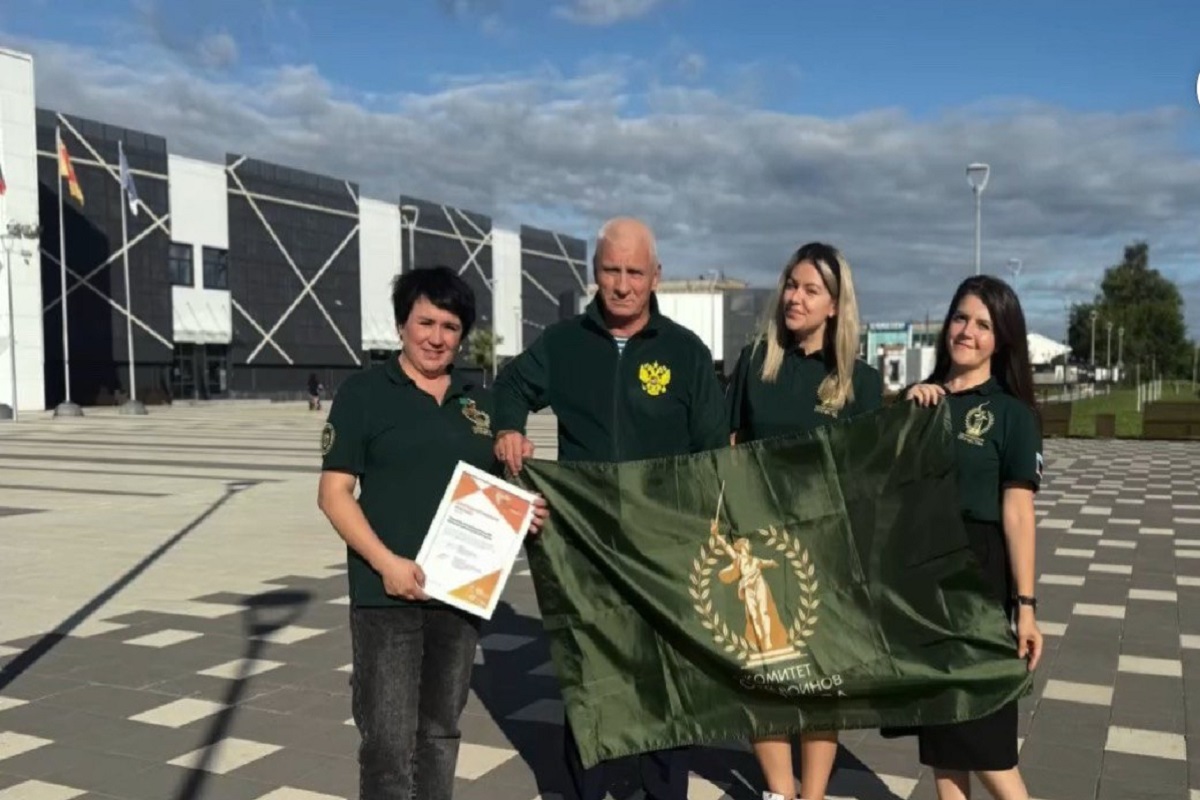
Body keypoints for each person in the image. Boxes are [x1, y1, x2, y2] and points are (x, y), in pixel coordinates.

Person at [492, 216, 729, 800]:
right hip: (586, 549)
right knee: (591, 678)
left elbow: (712, 456)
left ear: (656, 276)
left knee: (665, 680)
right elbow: (509, 388)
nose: (622, 285)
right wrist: (508, 429)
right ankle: (588, 789)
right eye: (610, 270)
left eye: (634, 272)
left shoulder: (686, 352)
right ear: (594, 272)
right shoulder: (563, 344)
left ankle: (661, 790)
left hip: (665, 553)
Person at [317, 265, 546, 800]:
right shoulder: (364, 393)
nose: (437, 338)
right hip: (386, 596)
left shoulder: (481, 402)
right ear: (402, 325)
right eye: (426, 322)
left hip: (459, 596)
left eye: (450, 326)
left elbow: (499, 492)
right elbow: (333, 494)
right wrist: (387, 564)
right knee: (388, 746)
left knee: (440, 733)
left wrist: (525, 509)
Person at [723, 242, 882, 800]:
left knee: (820, 683)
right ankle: (778, 791)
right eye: (791, 285)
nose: (795, 298)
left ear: (835, 305)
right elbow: (730, 448)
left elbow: (868, 478)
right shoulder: (755, 363)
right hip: (756, 549)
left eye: (811, 290)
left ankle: (811, 795)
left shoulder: (860, 382)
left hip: (827, 554)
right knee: (761, 678)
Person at [901, 274, 1044, 800]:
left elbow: (1019, 514)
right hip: (924, 578)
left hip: (979, 577)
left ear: (1001, 339)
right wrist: (904, 412)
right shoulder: (922, 402)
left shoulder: (1011, 414)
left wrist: (1025, 608)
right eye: (961, 318)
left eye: (984, 325)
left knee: (987, 744)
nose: (967, 331)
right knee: (943, 743)